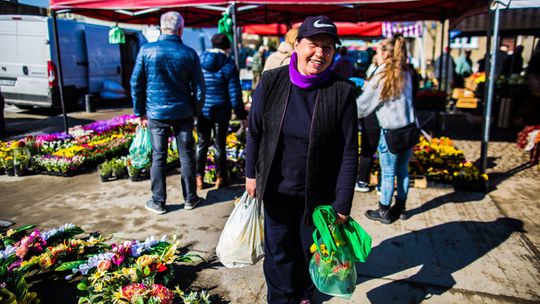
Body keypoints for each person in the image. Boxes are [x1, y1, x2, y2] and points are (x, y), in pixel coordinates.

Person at [245, 15, 358, 303]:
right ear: (297, 45)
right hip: (276, 189)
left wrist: (342, 204)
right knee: (279, 252)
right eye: (314, 44)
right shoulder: (271, 82)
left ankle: (306, 295)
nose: (320, 53)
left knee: (312, 250)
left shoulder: (341, 91)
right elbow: (255, 132)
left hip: (319, 196)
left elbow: (348, 151)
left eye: (328, 47)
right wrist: (250, 175)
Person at [131, 11, 205, 214]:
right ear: (180, 29)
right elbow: (199, 88)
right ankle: (190, 198)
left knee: (159, 157)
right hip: (183, 113)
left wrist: (140, 113)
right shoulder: (189, 54)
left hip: (156, 114)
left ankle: (158, 201)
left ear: (160, 27)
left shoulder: (146, 50)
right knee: (187, 156)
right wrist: (195, 111)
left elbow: (136, 83)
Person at [356, 35, 416, 224]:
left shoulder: (383, 75)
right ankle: (401, 208)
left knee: (388, 173)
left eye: (378, 51)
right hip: (409, 129)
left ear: (384, 54)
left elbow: (364, 106)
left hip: (391, 133)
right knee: (403, 171)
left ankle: (383, 211)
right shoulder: (406, 72)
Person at [196, 34, 248, 190]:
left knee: (202, 144)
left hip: (203, 110)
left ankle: (198, 178)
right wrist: (241, 115)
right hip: (221, 110)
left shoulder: (200, 61)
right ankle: (220, 178)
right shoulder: (229, 64)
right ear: (227, 48)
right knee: (219, 145)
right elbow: (234, 94)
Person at [355, 58, 381, 193]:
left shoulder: (383, 71)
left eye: (378, 52)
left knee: (368, 150)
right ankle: (382, 185)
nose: (375, 55)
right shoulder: (403, 72)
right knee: (383, 153)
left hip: (373, 115)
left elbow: (372, 93)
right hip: (386, 119)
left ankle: (362, 181)